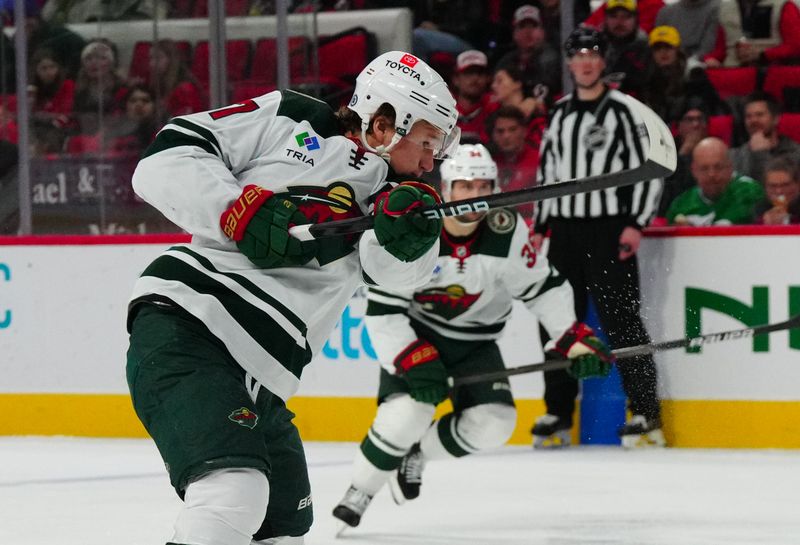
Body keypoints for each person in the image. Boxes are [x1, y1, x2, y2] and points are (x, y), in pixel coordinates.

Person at [125, 50, 460, 545]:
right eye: (428, 141)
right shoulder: (293, 117)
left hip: (264, 377)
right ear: (387, 122)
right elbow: (166, 157)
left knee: (282, 530)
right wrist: (234, 211)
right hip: (193, 324)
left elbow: (394, 273)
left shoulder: (399, 199)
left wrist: (410, 233)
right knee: (233, 492)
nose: (433, 159)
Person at [331, 144, 613, 529]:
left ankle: (419, 456)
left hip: (475, 344)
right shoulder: (416, 231)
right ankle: (360, 490)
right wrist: (413, 358)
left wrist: (572, 337)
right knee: (407, 415)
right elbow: (382, 310)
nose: (474, 196)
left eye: (483, 186)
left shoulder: (507, 231)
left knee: (494, 422)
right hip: (417, 336)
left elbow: (543, 288)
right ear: (446, 189)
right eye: (465, 186)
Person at [532, 27, 665, 449]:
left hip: (609, 227)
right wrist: (539, 225)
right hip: (564, 232)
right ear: (570, 64)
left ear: (604, 61)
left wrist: (636, 222)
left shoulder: (627, 111)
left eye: (593, 53)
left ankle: (645, 412)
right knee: (555, 321)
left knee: (622, 320)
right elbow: (546, 173)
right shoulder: (557, 113)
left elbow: (651, 166)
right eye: (578, 55)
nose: (586, 61)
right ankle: (558, 412)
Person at [667, 137, 764, 225]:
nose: (711, 174)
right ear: (694, 170)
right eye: (704, 168)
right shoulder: (681, 206)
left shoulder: (750, 192)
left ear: (730, 167)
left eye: (718, 167)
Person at [494, 5, 563, 103]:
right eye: (522, 26)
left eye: (533, 26)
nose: (528, 32)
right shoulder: (506, 62)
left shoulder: (552, 60)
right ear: (514, 34)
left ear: (543, 32)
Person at [729, 92, 800, 186]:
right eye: (748, 116)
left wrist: (760, 154)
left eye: (760, 115)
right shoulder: (735, 156)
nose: (753, 120)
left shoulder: (795, 154)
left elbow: (775, 188)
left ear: (776, 119)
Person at [489, 105, 541, 222]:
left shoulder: (540, 160)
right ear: (493, 135)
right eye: (500, 131)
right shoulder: (489, 164)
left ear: (524, 130)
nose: (506, 136)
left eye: (512, 129)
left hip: (532, 228)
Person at [656, 104, 708, 218]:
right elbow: (665, 195)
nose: (696, 124)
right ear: (679, 126)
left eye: (700, 119)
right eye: (690, 120)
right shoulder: (664, 152)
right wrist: (683, 155)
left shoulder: (715, 148)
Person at [72, 38, 128, 135]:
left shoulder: (122, 89)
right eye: (89, 58)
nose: (94, 63)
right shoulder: (78, 90)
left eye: (101, 58)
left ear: (111, 63)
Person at [602, 0, 651, 97]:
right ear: (606, 19)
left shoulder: (647, 50)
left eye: (626, 17)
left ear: (635, 19)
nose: (619, 22)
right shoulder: (596, 47)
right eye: (614, 16)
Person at [148, 39, 205, 120]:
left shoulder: (185, 89)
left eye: (158, 58)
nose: (152, 63)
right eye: (151, 58)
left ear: (172, 59)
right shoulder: (160, 86)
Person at [654, 0, 721, 65]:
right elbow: (657, 46)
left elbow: (707, 48)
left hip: (698, 66)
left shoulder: (717, 9)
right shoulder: (665, 13)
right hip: (667, 66)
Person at [734, 0, 800, 65]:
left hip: (776, 69)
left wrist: (763, 54)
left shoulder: (785, 6)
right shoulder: (735, 6)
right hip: (745, 67)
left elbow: (795, 46)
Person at [451, 50, 493, 145]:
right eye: (468, 73)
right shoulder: (444, 110)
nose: (475, 79)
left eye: (480, 73)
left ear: (487, 78)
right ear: (456, 79)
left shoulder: (494, 110)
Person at [754, 156, 800, 224]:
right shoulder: (759, 210)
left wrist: (788, 221)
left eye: (785, 185)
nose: (779, 191)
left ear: (798, 184)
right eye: (773, 186)